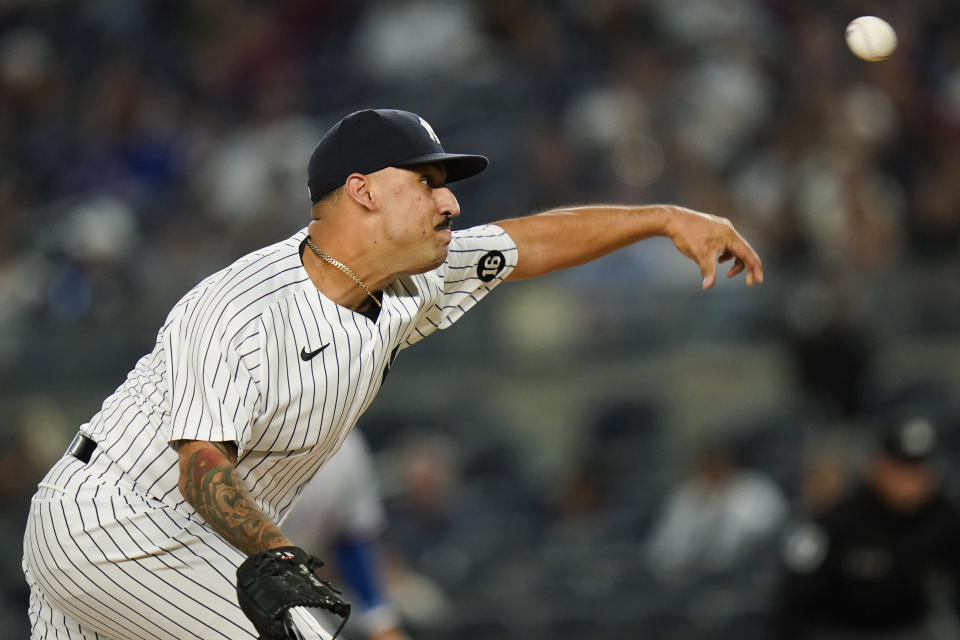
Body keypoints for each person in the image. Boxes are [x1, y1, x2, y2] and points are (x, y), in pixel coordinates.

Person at [22, 107, 763, 640]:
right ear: (364, 191)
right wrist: (273, 550)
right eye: (428, 181)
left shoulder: (412, 282)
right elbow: (202, 466)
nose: (451, 201)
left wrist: (663, 217)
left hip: (170, 539)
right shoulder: (241, 307)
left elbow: (526, 244)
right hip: (115, 520)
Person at [771, 416, 960, 640]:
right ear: (877, 467)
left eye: (919, 470)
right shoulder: (836, 519)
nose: (912, 481)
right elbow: (792, 597)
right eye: (902, 469)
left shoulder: (946, 518)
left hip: (910, 629)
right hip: (840, 631)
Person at [282, 429, 408, 640]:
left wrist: (379, 621)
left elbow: (351, 538)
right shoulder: (243, 423)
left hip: (290, 582)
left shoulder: (348, 443)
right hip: (221, 568)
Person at [644, 437, 789, 584]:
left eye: (718, 462)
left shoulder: (757, 489)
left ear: (730, 462)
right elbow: (661, 547)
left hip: (743, 575)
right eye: (708, 464)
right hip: (690, 578)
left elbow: (772, 533)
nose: (714, 469)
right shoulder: (682, 497)